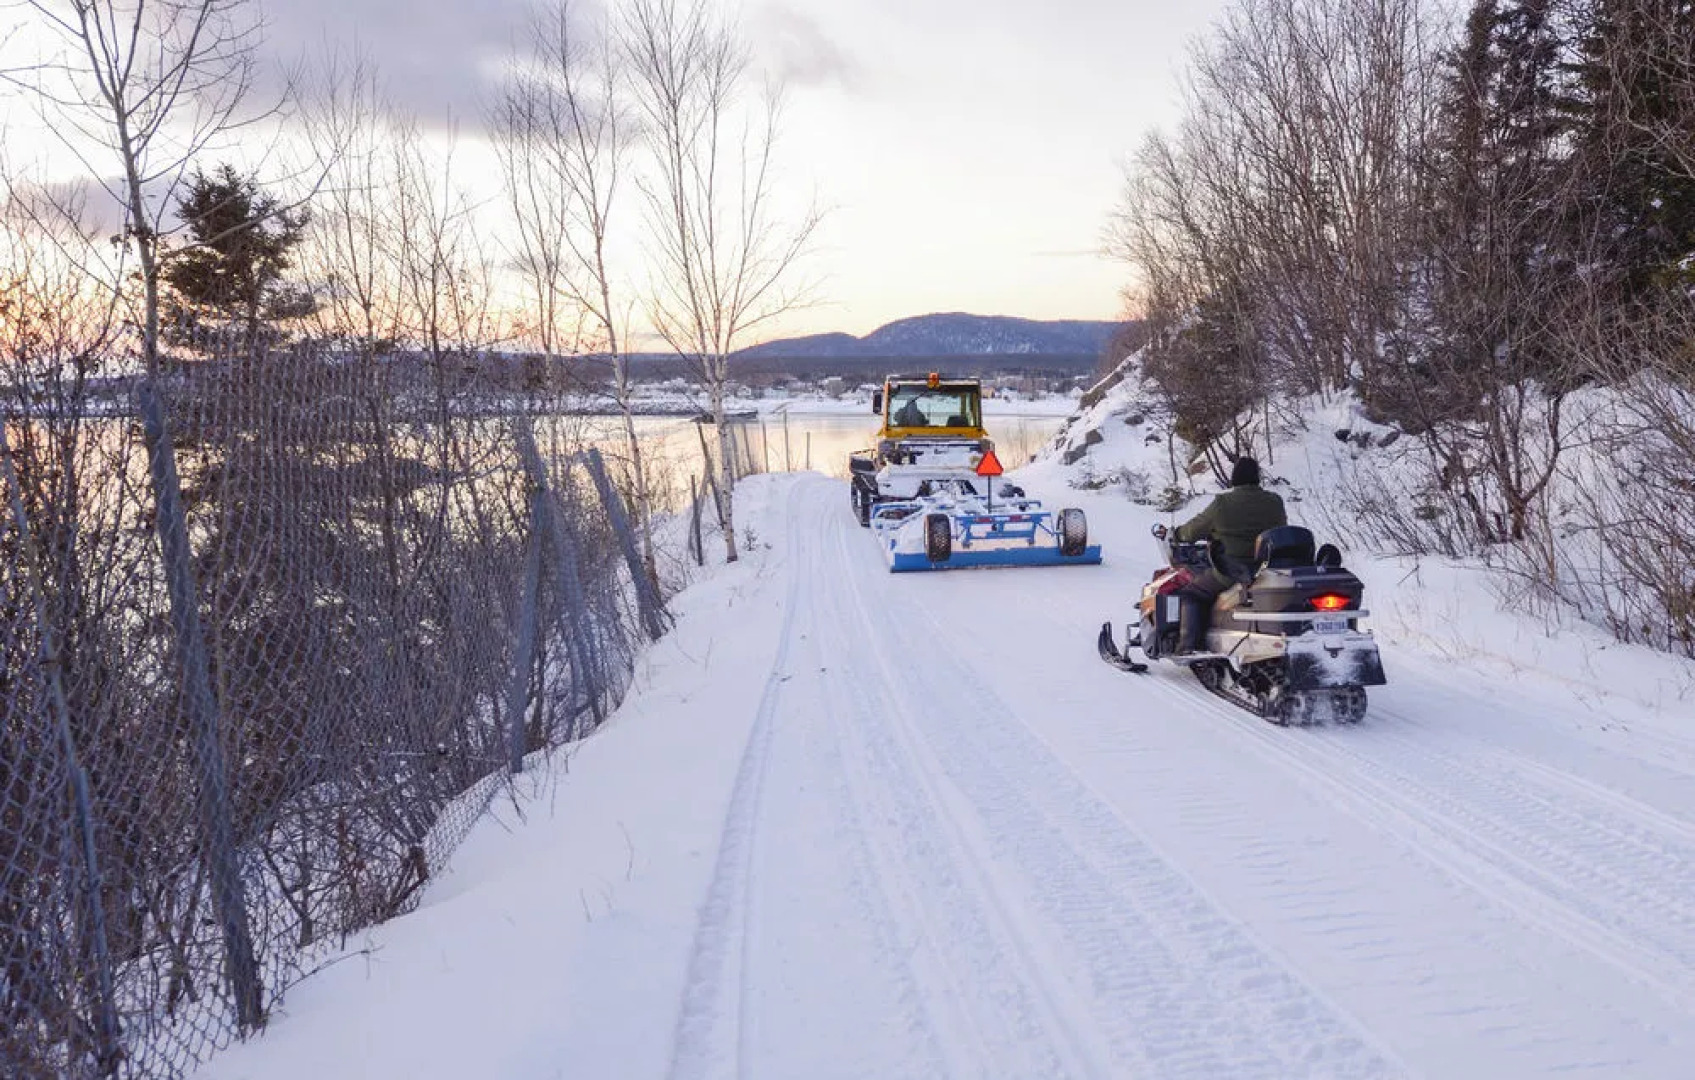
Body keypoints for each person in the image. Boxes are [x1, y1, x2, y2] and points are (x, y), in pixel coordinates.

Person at [1168, 456, 1286, 654]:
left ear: (1234, 478)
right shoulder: (1274, 501)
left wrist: (1177, 534)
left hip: (1231, 572)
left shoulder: (1223, 503)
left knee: (1191, 593)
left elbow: (1193, 530)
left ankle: (1188, 646)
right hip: (1265, 571)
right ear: (1257, 477)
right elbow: (1280, 528)